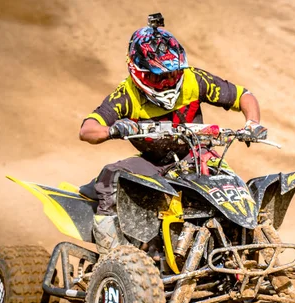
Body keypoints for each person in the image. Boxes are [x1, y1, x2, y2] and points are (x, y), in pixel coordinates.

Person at [79, 15, 267, 254]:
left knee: (235, 190)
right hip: (152, 163)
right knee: (110, 175)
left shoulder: (193, 79)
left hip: (195, 155)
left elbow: (243, 96)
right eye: (158, 76)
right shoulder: (127, 94)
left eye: (173, 73)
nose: (168, 81)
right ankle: (113, 254)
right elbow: (87, 129)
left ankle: (250, 245)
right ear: (138, 72)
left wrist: (252, 123)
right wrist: (114, 129)